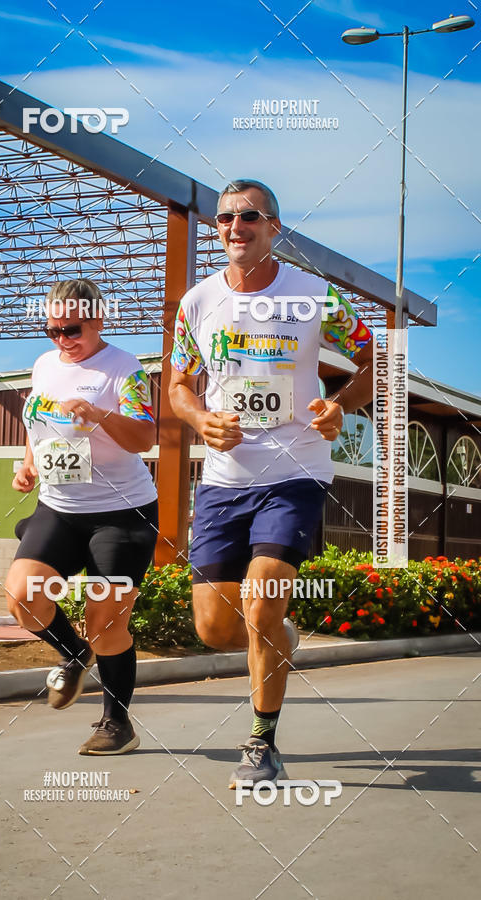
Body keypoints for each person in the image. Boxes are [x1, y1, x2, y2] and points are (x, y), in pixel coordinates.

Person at [169, 179, 374, 787]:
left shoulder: (315, 297)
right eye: (225, 217)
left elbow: (377, 360)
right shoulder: (197, 302)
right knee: (214, 628)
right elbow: (178, 385)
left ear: (273, 228)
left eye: (250, 216)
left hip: (296, 469)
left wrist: (341, 404)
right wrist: (200, 417)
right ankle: (281, 633)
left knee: (260, 601)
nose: (236, 226)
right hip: (224, 481)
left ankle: (262, 743)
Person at [5, 278, 158, 755]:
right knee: (22, 599)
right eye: (52, 330)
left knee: (105, 622)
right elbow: (37, 420)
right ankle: (73, 654)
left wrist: (99, 415)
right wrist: (29, 463)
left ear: (98, 320)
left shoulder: (124, 368)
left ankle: (117, 723)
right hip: (60, 506)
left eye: (72, 328)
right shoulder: (45, 364)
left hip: (122, 512)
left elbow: (144, 438)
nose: (62, 339)